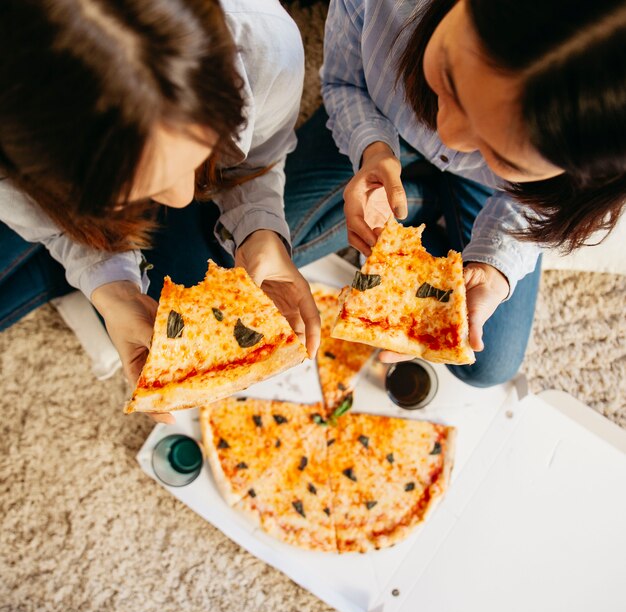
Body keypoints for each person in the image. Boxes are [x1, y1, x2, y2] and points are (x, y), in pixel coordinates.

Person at [0, 0, 321, 422]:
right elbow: (54, 225)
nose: (183, 198)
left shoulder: (264, 42)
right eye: (133, 190)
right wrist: (109, 287)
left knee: (201, 311)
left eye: (197, 152)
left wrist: (259, 227)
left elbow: (257, 159)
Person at [282, 0, 626, 386]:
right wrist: (371, 148)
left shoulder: (588, 166)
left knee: (486, 365)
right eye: (449, 79)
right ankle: (421, 201)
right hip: (379, 121)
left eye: (501, 153)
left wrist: (496, 268)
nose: (448, 135)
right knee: (234, 248)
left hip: (497, 193)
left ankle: (416, 203)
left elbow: (541, 207)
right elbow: (343, 83)